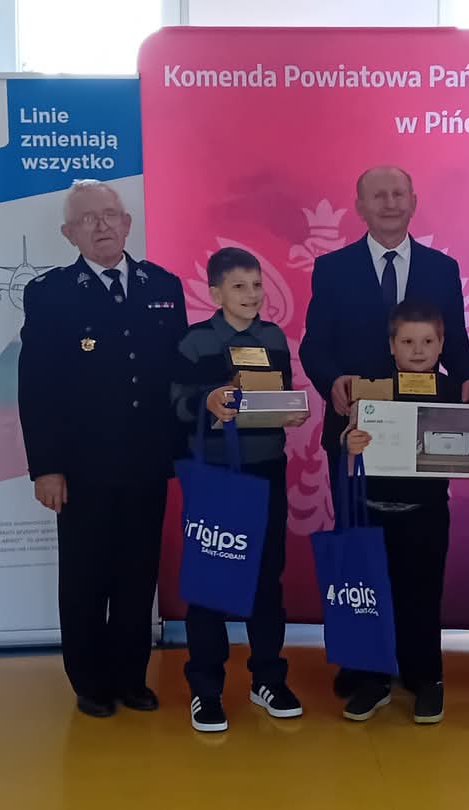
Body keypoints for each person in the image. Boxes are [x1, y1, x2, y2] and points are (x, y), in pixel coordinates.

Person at [300, 165, 469, 697]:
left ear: (413, 201)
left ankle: (415, 663)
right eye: (377, 195)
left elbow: (455, 342)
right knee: (363, 558)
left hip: (422, 439)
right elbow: (314, 345)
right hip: (357, 438)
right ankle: (364, 664)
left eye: (398, 193)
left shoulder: (441, 268)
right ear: (359, 206)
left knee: (417, 562)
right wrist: (333, 380)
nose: (389, 202)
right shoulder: (332, 269)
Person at [17, 179, 187, 718]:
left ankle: (130, 677)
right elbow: (37, 387)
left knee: (137, 574)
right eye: (88, 219)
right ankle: (89, 681)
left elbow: (179, 377)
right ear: (69, 233)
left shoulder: (164, 286)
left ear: (127, 223)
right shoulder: (50, 294)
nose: (102, 225)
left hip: (146, 461)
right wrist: (46, 468)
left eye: (110, 215)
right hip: (82, 467)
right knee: (86, 576)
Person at [170, 247, 308, 733]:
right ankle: (206, 689)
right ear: (215, 294)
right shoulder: (195, 341)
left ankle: (267, 678)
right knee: (209, 580)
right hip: (214, 474)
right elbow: (175, 403)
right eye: (239, 286)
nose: (252, 295)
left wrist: (290, 410)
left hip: (266, 469)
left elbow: (279, 393)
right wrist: (206, 400)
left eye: (257, 285)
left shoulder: (273, 338)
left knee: (267, 578)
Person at [340, 300, 469, 725]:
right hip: (372, 514)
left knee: (422, 600)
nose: (418, 350)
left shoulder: (452, 392)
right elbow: (344, 443)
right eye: (408, 342)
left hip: (426, 517)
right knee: (372, 600)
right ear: (392, 345)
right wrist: (348, 443)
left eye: (427, 341)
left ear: (442, 344)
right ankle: (373, 680)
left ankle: (426, 680)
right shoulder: (371, 390)